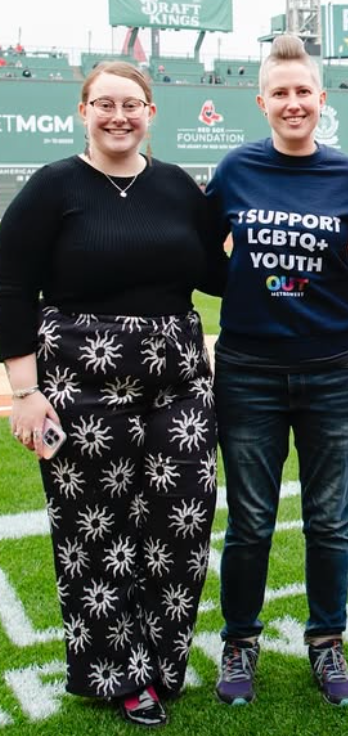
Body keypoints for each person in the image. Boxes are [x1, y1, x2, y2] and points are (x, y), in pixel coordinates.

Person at [0, 62, 218, 728]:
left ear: (151, 112)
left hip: (178, 383)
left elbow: (219, 273)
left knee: (181, 526)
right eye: (105, 104)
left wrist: (298, 259)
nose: (118, 115)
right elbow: (9, 287)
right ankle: (118, 674)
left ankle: (162, 663)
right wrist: (25, 393)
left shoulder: (179, 186)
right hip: (77, 387)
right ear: (83, 110)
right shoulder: (54, 186)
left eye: (132, 104)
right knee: (95, 535)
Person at [206, 34, 348, 708]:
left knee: (329, 521)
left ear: (321, 100)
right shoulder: (236, 170)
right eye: (280, 93)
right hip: (248, 373)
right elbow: (198, 255)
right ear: (261, 101)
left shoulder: (347, 176)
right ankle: (239, 643)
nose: (293, 103)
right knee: (251, 523)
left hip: (333, 373)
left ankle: (326, 643)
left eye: (303, 92)